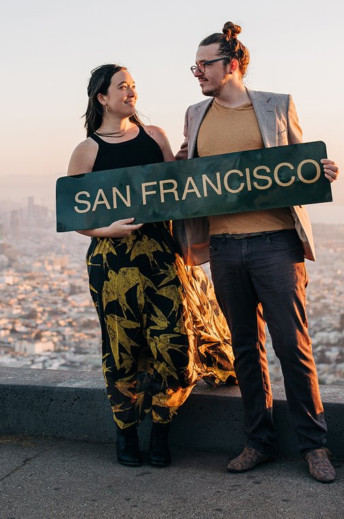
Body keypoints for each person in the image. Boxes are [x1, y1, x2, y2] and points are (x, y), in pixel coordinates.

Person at [175, 22, 340, 483]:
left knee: (292, 347)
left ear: (232, 65)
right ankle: (258, 442)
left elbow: (298, 163)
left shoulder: (276, 106)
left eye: (204, 64)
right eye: (196, 65)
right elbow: (193, 178)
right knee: (244, 350)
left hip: (275, 244)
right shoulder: (194, 113)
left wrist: (321, 168)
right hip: (225, 247)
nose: (198, 73)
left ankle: (315, 445)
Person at [68, 64, 235, 468]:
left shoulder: (155, 135)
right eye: (122, 87)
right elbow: (75, 215)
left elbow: (179, 193)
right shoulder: (87, 149)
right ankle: (126, 437)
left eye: (133, 86)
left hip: (162, 256)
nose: (131, 92)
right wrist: (106, 231)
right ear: (101, 98)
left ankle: (161, 429)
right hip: (112, 264)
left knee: (175, 347)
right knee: (121, 350)